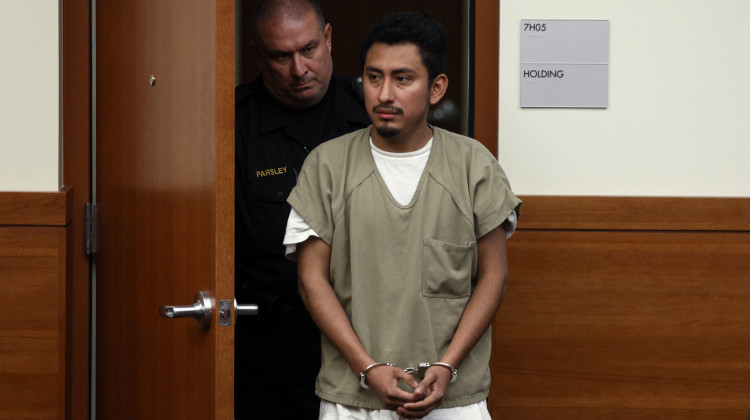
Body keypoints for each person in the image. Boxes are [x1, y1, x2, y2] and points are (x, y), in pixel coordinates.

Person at [283, 11, 522, 420]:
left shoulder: (472, 166)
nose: (385, 94)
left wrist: (447, 366)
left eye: (403, 79)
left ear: (436, 88)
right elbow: (311, 280)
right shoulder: (328, 165)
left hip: (453, 397)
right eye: (374, 78)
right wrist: (368, 368)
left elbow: (494, 276)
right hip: (352, 398)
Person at [234, 0, 370, 418]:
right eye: (281, 56)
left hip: (367, 334)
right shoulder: (230, 124)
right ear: (258, 55)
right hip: (272, 348)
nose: (299, 69)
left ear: (328, 39)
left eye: (309, 49)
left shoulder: (373, 110)